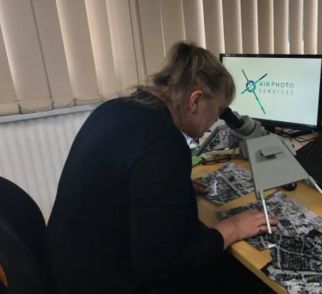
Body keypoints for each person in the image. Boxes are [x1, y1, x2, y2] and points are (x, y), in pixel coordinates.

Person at [45, 41, 278, 293]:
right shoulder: (162, 142)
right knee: (248, 278)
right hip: (108, 282)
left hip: (70, 270)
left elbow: (124, 180)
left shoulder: (114, 109)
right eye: (218, 111)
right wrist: (231, 228)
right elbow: (163, 269)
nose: (214, 122)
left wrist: (171, 187)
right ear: (195, 100)